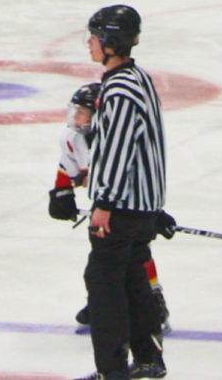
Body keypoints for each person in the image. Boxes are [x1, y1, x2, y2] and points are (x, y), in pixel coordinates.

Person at [77, 3, 171, 380]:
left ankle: (111, 371)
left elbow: (118, 151)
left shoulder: (118, 89)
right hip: (141, 204)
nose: (89, 43)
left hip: (121, 208)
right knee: (134, 280)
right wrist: (154, 207)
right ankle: (148, 359)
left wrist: (104, 203)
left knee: (103, 284)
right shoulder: (138, 77)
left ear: (111, 42)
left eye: (95, 37)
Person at [50, 82, 169, 338]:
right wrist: (62, 192)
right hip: (103, 205)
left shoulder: (115, 141)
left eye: (83, 112)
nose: (76, 118)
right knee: (103, 260)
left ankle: (153, 299)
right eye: (75, 111)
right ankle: (102, 303)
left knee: (136, 253)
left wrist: (151, 213)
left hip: (128, 202)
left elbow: (137, 174)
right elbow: (67, 164)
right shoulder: (72, 138)